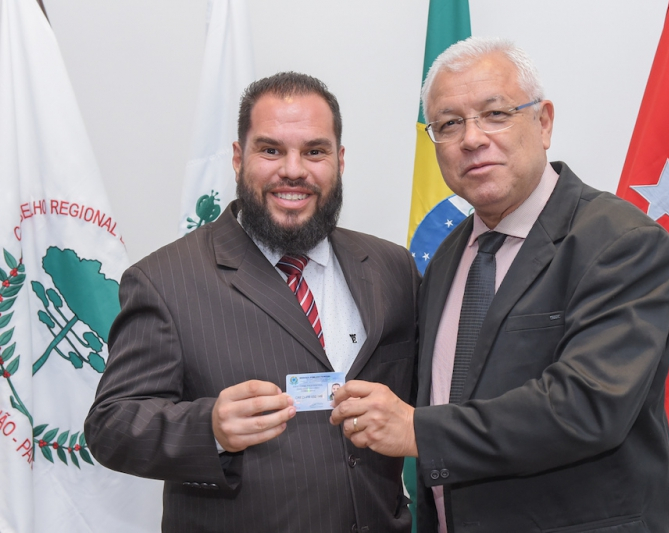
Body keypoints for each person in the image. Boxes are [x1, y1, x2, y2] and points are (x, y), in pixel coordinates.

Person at [330, 37, 669, 532]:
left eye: (495, 114)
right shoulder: (447, 257)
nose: (472, 138)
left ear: (544, 122)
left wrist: (417, 431)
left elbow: (587, 407)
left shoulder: (621, 242)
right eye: (449, 124)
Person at [85, 72, 419, 533]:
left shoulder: (392, 266)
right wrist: (209, 429)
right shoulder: (164, 280)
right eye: (271, 150)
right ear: (238, 158)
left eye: (315, 151)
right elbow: (111, 425)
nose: (294, 170)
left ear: (340, 161)